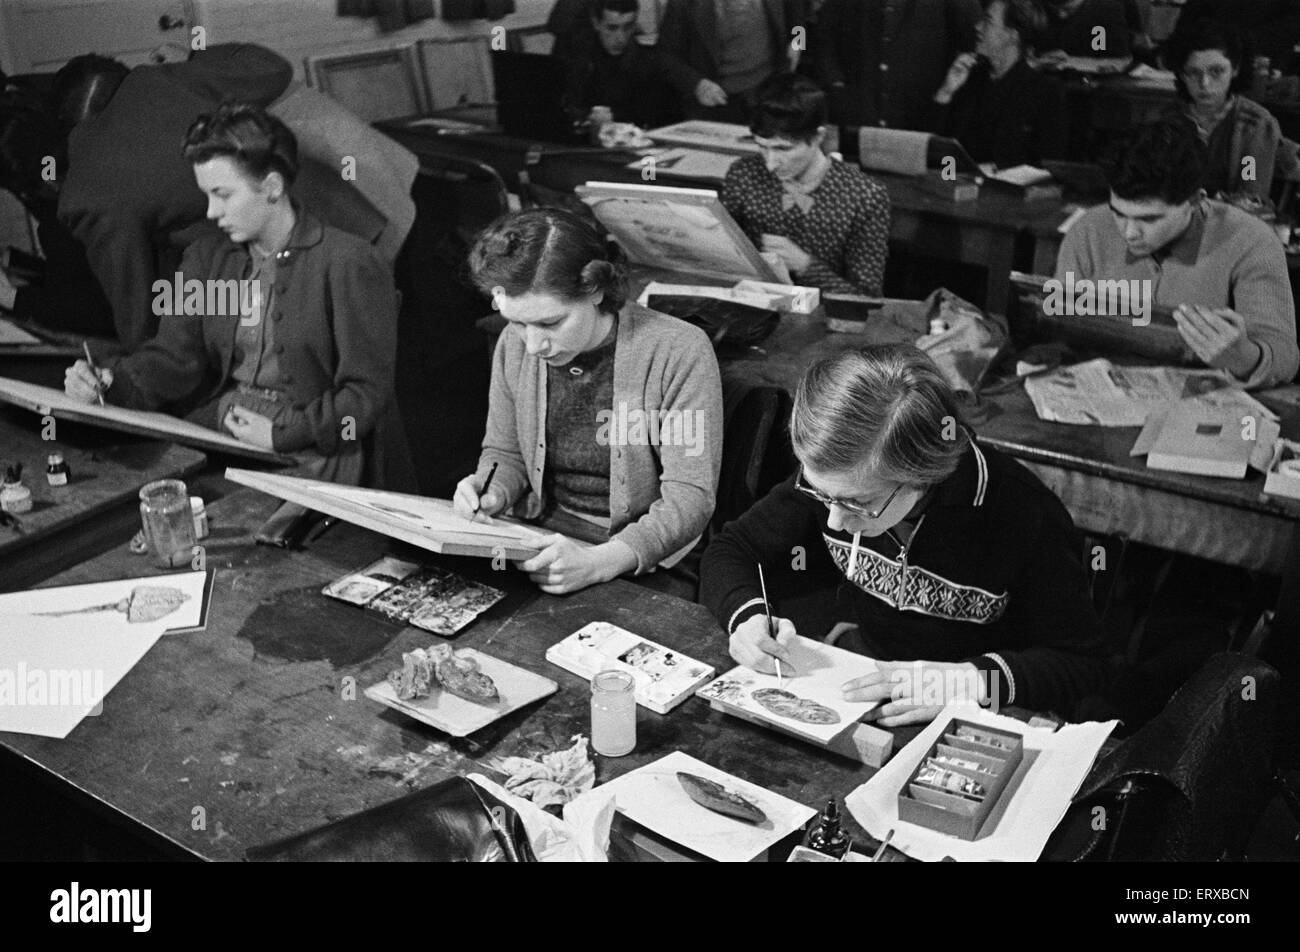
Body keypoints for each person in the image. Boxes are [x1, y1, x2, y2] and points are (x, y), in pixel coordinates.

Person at [700, 345, 1111, 724]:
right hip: (873, 671)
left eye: (858, 504)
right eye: (821, 494)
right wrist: (747, 618)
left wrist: (966, 683)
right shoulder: (841, 482)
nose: (834, 523)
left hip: (982, 702)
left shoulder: (1022, 513)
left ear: (923, 475)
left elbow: (1084, 665)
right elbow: (732, 549)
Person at [63, 103, 407, 488]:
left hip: (313, 447)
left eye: (222, 194)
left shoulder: (347, 262)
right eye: (206, 195)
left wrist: (281, 435)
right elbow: (173, 358)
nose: (211, 211)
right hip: (223, 427)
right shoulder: (209, 259)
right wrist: (109, 382)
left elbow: (365, 395)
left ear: (272, 187)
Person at [47, 45, 416, 353]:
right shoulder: (155, 79)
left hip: (309, 263)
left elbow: (136, 310)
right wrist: (197, 55)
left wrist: (141, 377)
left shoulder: (86, 194)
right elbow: (273, 69)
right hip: (353, 208)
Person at [453, 207, 723, 597]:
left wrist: (599, 563)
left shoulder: (679, 350)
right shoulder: (514, 346)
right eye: (517, 322)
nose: (533, 345)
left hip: (639, 553)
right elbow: (505, 452)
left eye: (550, 323)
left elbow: (689, 499)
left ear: (595, 289)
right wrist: (491, 490)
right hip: (539, 536)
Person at [1055, 118, 1299, 389]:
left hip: (1206, 399)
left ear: (1195, 202)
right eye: (1119, 214)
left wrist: (1242, 357)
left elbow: (1285, 358)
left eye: (1149, 220)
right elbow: (1059, 327)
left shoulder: (1252, 242)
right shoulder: (1088, 230)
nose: (1129, 232)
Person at [720, 72, 890, 295]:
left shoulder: (865, 196)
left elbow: (866, 299)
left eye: (783, 149)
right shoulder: (743, 174)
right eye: (762, 147)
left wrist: (805, 266)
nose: (770, 164)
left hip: (824, 319)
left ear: (818, 137)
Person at [1162, 21, 1299, 206]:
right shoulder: (1169, 118)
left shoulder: (1253, 125)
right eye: (1193, 72)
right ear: (1181, 74)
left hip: (1232, 221)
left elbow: (1250, 193)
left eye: (1217, 71)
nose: (1205, 84)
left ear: (1235, 69)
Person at [926, 0, 1067, 168]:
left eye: (988, 21)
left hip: (1006, 191)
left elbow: (1048, 166)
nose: (978, 26)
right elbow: (930, 148)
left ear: (1012, 35)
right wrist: (945, 92)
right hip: (953, 186)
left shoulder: (1044, 91)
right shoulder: (970, 79)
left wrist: (996, 170)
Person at [814, 0, 982, 129]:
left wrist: (943, 98)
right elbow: (824, 37)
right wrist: (837, 87)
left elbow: (975, 43)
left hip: (922, 115)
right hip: (857, 114)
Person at [655, 0, 805, 123]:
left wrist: (798, 44)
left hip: (770, 93)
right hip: (716, 102)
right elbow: (666, 56)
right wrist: (697, 84)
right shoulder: (683, 4)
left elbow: (799, 20)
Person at [558, 0, 691, 128]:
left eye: (628, 27)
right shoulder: (579, 59)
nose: (620, 38)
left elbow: (652, 114)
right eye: (612, 28)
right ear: (596, 23)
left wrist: (613, 118)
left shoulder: (649, 64)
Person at [1033, 0, 1132, 62]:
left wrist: (1070, 62)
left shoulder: (1106, 9)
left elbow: (1119, 60)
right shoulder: (1031, 7)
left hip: (1091, 89)